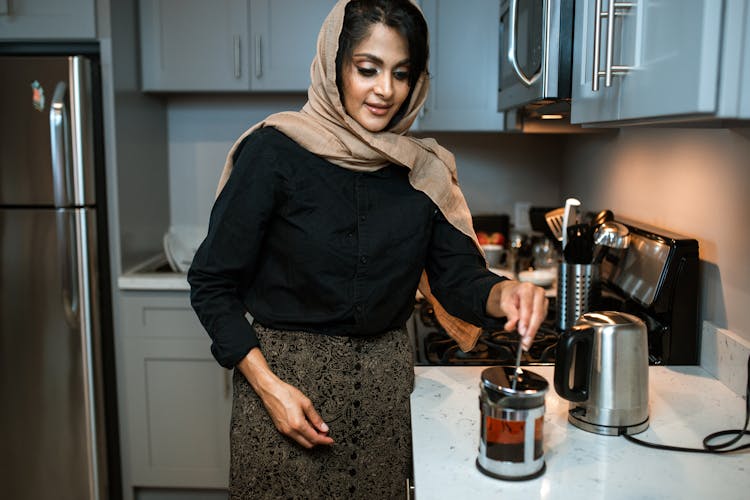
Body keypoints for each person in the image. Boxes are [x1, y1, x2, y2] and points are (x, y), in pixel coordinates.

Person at [187, 0, 548, 498]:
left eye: (402, 73)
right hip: (284, 402)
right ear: (335, 66)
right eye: (367, 69)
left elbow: (458, 279)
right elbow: (211, 283)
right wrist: (269, 390)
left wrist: (506, 293)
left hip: (382, 401)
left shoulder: (423, 170)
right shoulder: (273, 152)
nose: (385, 90)